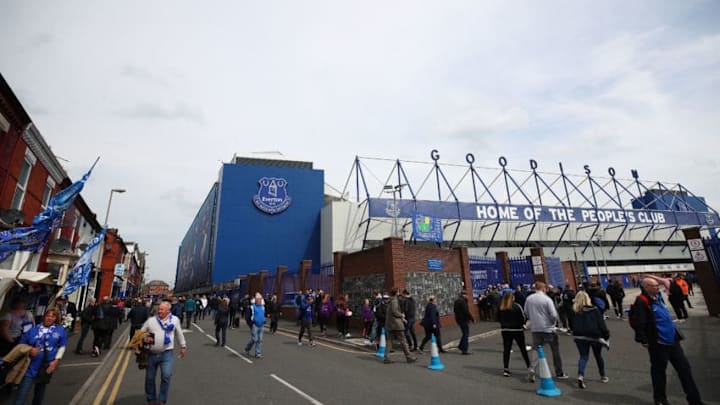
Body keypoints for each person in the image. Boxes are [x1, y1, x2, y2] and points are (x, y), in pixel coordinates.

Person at [632, 278, 704, 405]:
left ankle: (694, 400)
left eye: (658, 285)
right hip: (659, 343)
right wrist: (644, 340)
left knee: (685, 369)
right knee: (659, 372)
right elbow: (639, 323)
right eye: (655, 286)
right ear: (646, 287)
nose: (658, 287)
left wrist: (656, 279)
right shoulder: (642, 301)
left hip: (673, 341)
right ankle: (660, 400)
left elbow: (666, 283)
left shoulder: (658, 297)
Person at [12, 307, 67, 405]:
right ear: (44, 317)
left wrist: (56, 361)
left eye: (53, 316)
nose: (49, 318)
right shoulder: (33, 330)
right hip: (30, 367)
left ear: (56, 318)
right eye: (47, 315)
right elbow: (21, 345)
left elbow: (62, 347)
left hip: (46, 367)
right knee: (21, 396)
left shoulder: (60, 330)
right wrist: (30, 350)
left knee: (39, 395)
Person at [141, 300, 187, 405]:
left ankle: (162, 400)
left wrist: (183, 346)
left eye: (162, 309)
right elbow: (141, 332)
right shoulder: (151, 321)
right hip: (152, 353)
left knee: (166, 376)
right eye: (159, 309)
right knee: (149, 378)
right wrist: (144, 338)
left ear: (168, 310)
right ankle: (151, 399)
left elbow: (179, 333)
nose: (159, 311)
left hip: (167, 353)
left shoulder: (174, 320)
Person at [524, 281, 568, 381]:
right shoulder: (547, 299)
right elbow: (553, 315)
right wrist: (553, 323)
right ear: (543, 288)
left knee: (536, 349)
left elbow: (526, 311)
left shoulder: (529, 299)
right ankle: (559, 372)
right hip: (548, 328)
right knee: (555, 350)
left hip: (535, 328)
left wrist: (533, 319)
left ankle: (532, 368)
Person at [569, 291, 610, 389]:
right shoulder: (594, 310)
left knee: (583, 356)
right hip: (594, 336)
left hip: (579, 337)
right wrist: (606, 336)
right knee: (598, 356)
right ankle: (603, 375)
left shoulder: (573, 310)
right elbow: (601, 324)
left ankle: (580, 375)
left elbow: (570, 324)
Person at [497, 292, 531, 378]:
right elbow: (523, 317)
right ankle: (529, 366)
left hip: (505, 330)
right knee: (522, 348)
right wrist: (523, 323)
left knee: (507, 350)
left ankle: (506, 369)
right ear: (513, 298)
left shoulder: (501, 307)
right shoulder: (517, 306)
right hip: (517, 329)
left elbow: (497, 318)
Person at [383, 288, 416, 364]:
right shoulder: (394, 301)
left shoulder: (390, 300)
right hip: (396, 324)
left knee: (389, 341)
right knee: (403, 340)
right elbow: (395, 311)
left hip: (390, 324)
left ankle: (386, 357)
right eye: (398, 292)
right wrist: (401, 315)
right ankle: (409, 357)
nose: (399, 293)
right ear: (396, 293)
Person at [244, 293, 265, 358]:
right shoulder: (251, 307)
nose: (260, 300)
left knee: (260, 340)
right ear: (256, 300)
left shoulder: (263, 307)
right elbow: (247, 317)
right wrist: (251, 324)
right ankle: (247, 349)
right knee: (254, 339)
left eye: (260, 299)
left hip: (261, 325)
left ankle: (258, 353)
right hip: (254, 325)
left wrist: (264, 320)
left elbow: (263, 315)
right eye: (258, 299)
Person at [453, 290, 474, 355]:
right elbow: (466, 311)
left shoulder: (456, 301)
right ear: (464, 295)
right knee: (466, 334)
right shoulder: (463, 302)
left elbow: (454, 310)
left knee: (465, 333)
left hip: (459, 320)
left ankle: (461, 346)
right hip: (464, 320)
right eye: (466, 295)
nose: (467, 296)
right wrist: (471, 318)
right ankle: (464, 349)